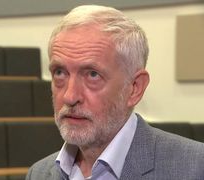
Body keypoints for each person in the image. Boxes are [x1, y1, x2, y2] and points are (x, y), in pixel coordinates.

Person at [26, 5, 204, 180]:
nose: (70, 96)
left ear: (135, 88)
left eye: (92, 75)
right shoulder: (39, 173)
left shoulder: (194, 167)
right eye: (59, 72)